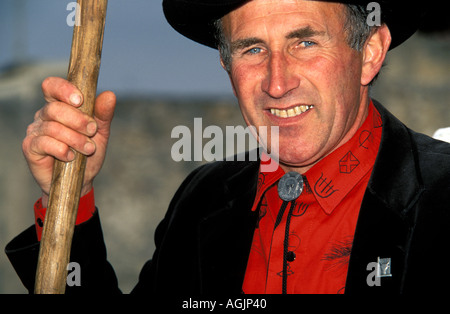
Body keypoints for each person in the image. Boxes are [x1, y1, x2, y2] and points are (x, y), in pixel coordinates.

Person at [6, 0, 450, 295]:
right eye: (252, 49)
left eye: (306, 42)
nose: (278, 83)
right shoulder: (205, 200)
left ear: (370, 51)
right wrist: (71, 193)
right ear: (225, 64)